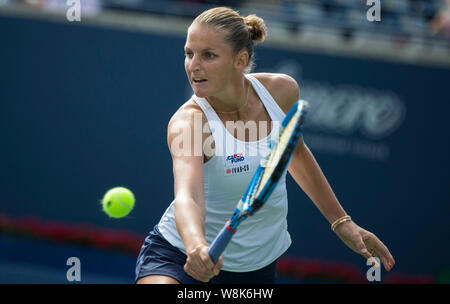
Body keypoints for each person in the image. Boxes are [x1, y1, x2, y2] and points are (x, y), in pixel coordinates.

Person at [135, 6, 395, 284]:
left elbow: (294, 153)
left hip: (256, 269)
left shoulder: (282, 92)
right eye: (189, 53)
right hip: (180, 257)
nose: (193, 65)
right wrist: (197, 246)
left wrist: (342, 222)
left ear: (240, 59)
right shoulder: (189, 123)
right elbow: (189, 196)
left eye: (208, 55)